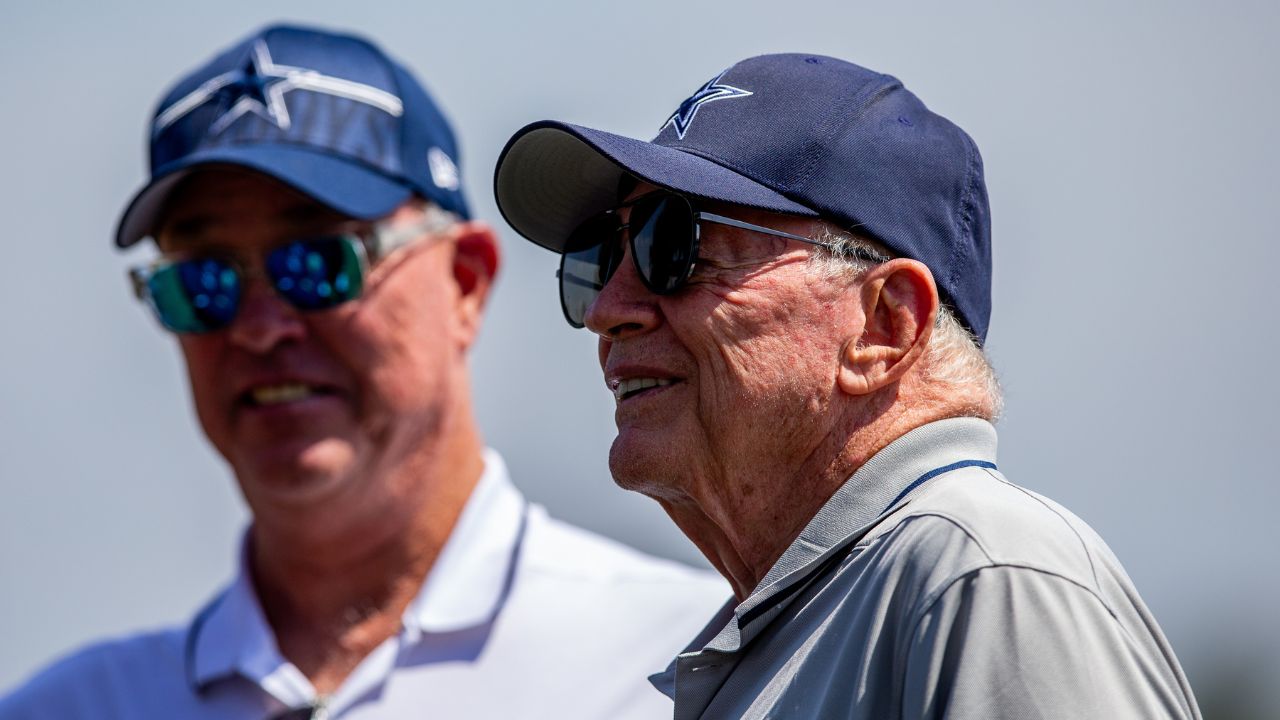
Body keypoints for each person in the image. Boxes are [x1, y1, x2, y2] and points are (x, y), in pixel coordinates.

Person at [0, 23, 727, 720]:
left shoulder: (686, 670)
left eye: (317, 263)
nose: (259, 329)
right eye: (204, 282)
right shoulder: (70, 708)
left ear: (464, 283)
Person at [493, 53, 1203, 719]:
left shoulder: (987, 575)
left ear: (885, 327)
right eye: (600, 255)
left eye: (673, 245)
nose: (607, 310)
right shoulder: (819, 614)